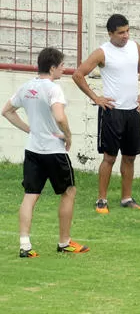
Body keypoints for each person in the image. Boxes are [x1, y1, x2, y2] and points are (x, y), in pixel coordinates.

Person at [2, 47, 89, 257]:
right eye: (61, 66)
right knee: (68, 192)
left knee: (30, 196)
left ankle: (25, 245)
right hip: (53, 151)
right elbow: (59, 117)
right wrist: (68, 136)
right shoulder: (53, 89)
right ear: (52, 68)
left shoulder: (26, 87)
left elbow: (6, 111)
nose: (64, 69)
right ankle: (64, 242)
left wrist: (29, 129)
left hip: (33, 150)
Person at [73, 14, 140, 213]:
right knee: (109, 157)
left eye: (127, 31)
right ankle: (101, 200)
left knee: (130, 157)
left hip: (132, 111)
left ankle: (126, 198)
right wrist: (96, 97)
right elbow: (78, 74)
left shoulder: (135, 47)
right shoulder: (102, 53)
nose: (125, 36)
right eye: (121, 33)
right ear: (110, 34)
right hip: (112, 112)